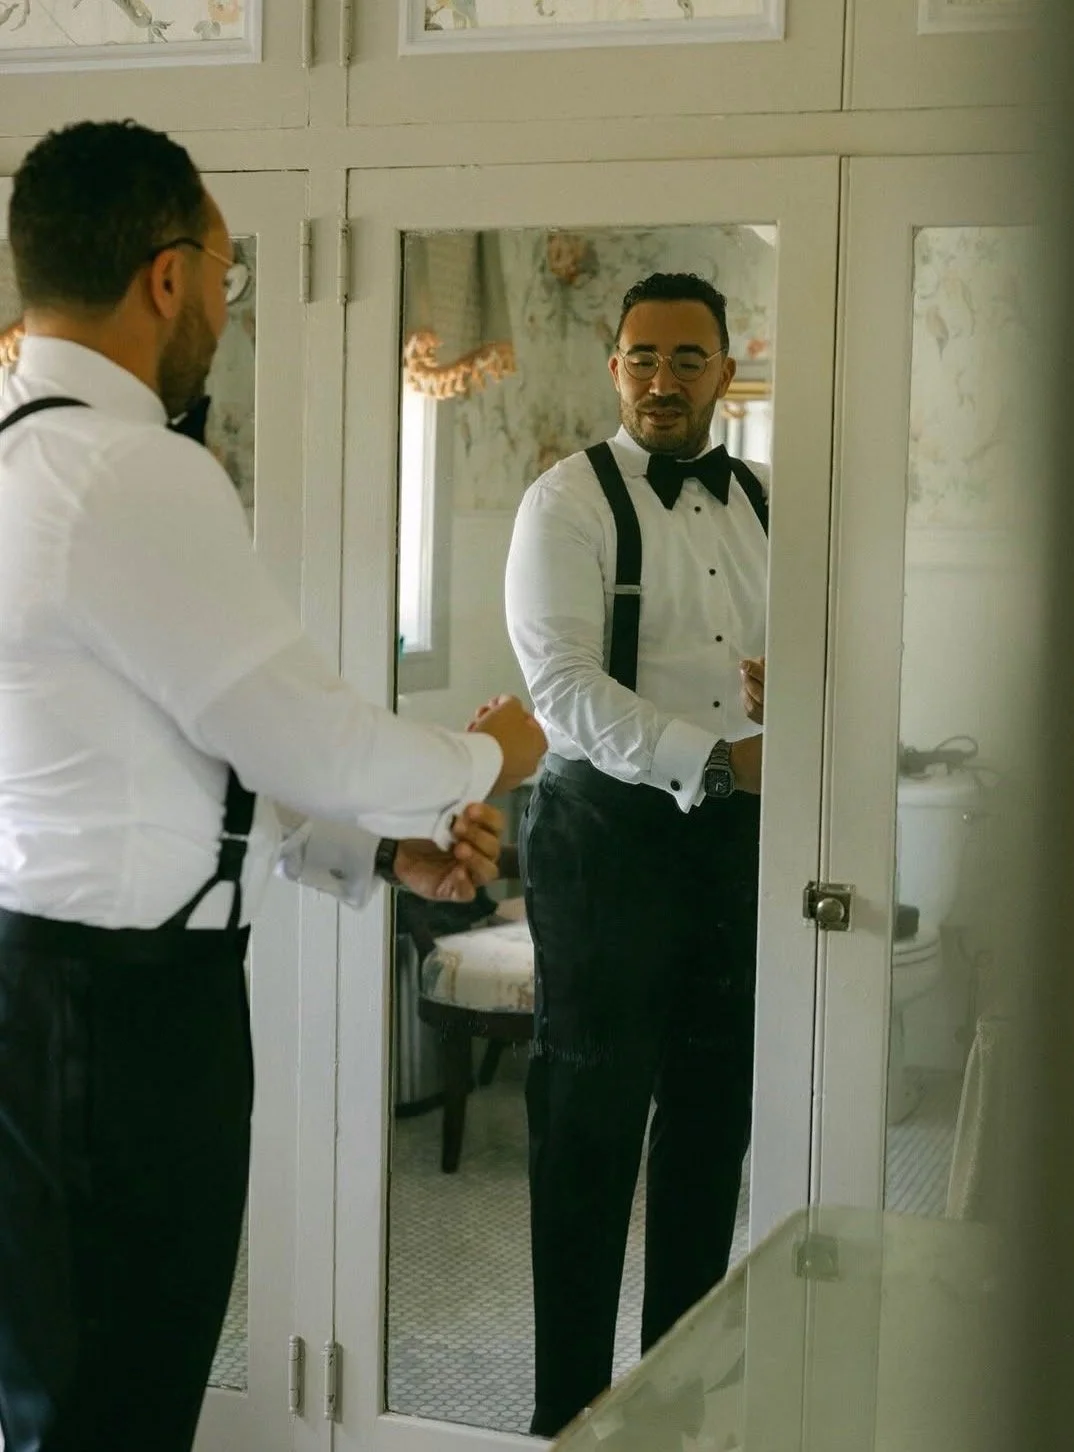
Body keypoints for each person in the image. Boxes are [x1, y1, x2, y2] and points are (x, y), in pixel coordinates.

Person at [0, 120, 546, 1452]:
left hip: (51, 994)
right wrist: (492, 757)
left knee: (65, 1392)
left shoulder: (27, 459)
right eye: (226, 276)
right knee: (113, 1402)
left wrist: (373, 854)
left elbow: (175, 761)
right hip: (119, 1026)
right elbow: (308, 741)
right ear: (167, 275)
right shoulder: (130, 468)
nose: (223, 309)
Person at [505, 272, 769, 1436]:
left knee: (712, 1121)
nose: (663, 379)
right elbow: (562, 689)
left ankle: (677, 1408)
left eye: (687, 358)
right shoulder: (565, 502)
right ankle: (566, 1418)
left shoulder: (767, 502)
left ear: (724, 372)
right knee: (588, 1129)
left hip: (736, 847)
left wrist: (786, 688)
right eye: (643, 358)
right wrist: (716, 759)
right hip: (601, 843)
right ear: (614, 368)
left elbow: (809, 649)